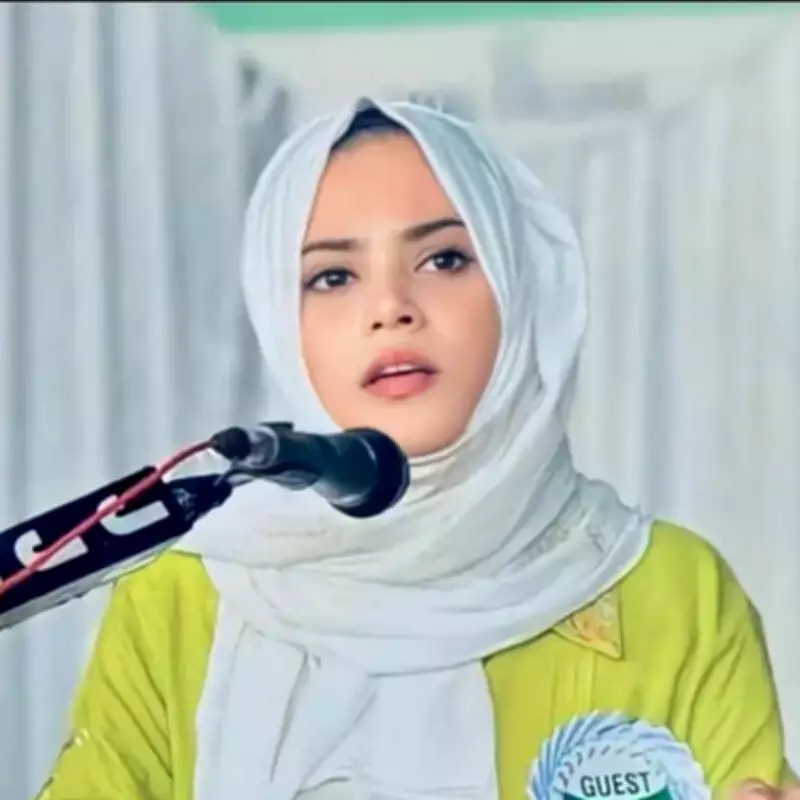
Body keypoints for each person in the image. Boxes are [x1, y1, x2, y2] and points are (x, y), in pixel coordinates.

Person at [38, 98, 795, 800]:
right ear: (281, 322)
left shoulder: (672, 591)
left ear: (518, 287)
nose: (390, 308)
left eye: (443, 260)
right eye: (332, 276)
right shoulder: (185, 594)